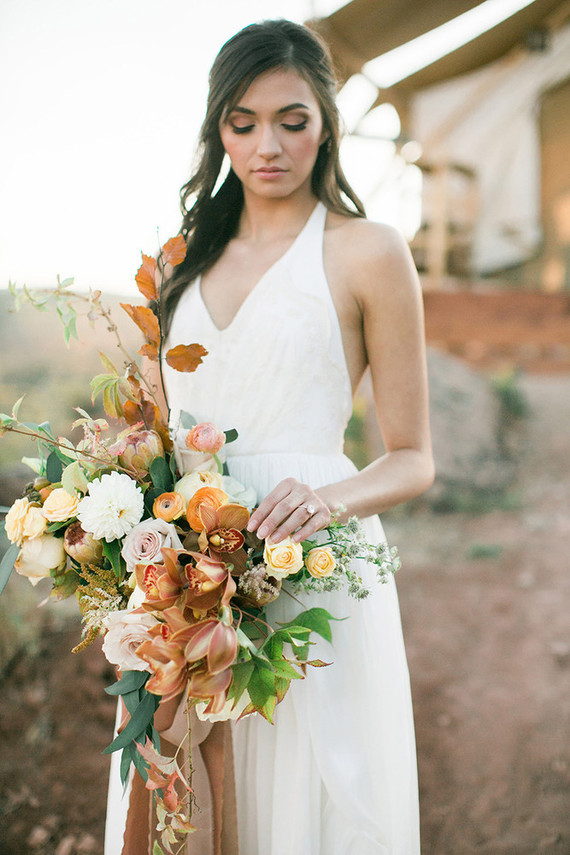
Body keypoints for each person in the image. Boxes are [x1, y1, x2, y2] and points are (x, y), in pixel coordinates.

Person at [105, 18, 434, 855]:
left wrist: (326, 499)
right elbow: (153, 434)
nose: (269, 146)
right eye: (243, 122)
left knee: (316, 803)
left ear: (326, 123)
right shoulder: (178, 261)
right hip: (187, 578)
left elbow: (413, 457)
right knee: (184, 804)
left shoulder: (369, 251)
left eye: (293, 120)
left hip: (311, 569)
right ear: (218, 129)